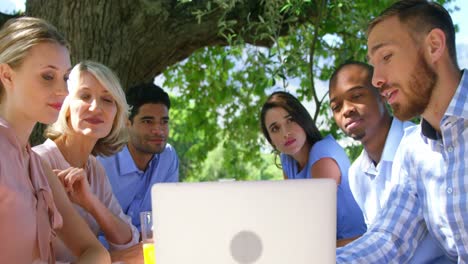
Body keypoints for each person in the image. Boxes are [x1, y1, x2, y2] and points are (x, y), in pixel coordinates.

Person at [337, 0, 467, 262]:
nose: (376, 80)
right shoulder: (413, 152)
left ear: (434, 46)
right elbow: (389, 238)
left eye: (386, 57)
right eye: (373, 64)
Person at [0, 16, 109, 263]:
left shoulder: (39, 168)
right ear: (6, 75)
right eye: (48, 76)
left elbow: (96, 252)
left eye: (65, 78)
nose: (63, 90)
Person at [330, 61, 449, 262]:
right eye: (336, 106)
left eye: (356, 96)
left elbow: (391, 241)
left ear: (382, 95)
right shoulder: (357, 173)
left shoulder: (422, 147)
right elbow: (374, 240)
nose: (346, 110)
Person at [33, 61, 140, 262]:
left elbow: (129, 239)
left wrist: (90, 202)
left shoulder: (94, 168)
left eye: (107, 100)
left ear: (116, 114)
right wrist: (113, 259)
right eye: (84, 96)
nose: (96, 107)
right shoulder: (37, 162)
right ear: (65, 107)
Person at [260, 91, 366, 246]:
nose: (285, 133)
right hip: (322, 248)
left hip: (352, 247)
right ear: (271, 141)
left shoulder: (322, 154)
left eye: (290, 120)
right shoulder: (288, 160)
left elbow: (314, 232)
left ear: (302, 120)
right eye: (275, 128)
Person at [98, 83, 179, 229]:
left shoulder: (168, 158)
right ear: (127, 123)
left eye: (164, 122)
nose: (158, 130)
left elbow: (168, 217)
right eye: (148, 121)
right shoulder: (101, 163)